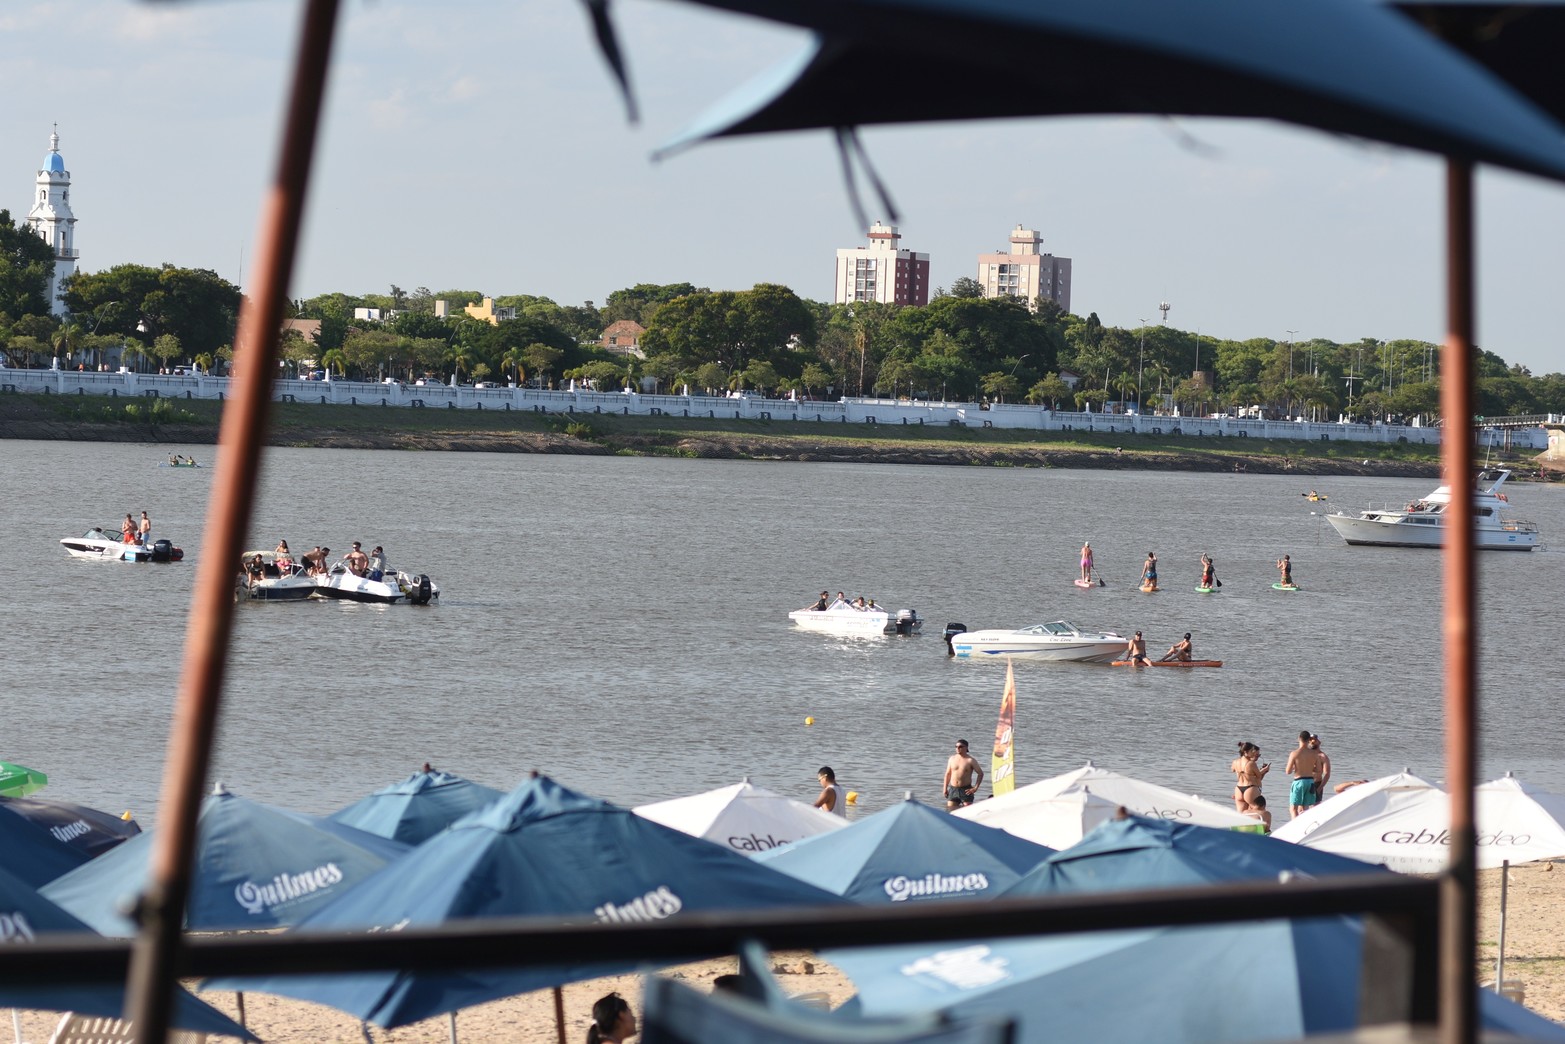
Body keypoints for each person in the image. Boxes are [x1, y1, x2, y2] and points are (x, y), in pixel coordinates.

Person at [1285, 730, 1324, 817]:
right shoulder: (1314, 754)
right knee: (1305, 809)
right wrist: (1309, 767)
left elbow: (1288, 771)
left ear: (1299, 738)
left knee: (1293, 808)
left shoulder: (1294, 753)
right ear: (1309, 740)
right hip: (1310, 782)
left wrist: (1296, 767)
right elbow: (1319, 770)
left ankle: (1295, 824)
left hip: (1299, 781)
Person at [943, 739, 984, 810]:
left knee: (967, 812)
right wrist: (945, 788)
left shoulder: (970, 760)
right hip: (953, 789)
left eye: (960, 747)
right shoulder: (952, 759)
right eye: (956, 747)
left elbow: (980, 774)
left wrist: (975, 788)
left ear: (966, 747)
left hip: (966, 790)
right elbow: (948, 774)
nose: (958, 748)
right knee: (950, 811)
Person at [1230, 742, 1269, 812]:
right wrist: (1265, 770)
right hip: (1250, 789)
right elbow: (1259, 776)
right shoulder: (1251, 763)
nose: (1253, 753)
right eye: (1251, 751)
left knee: (1240, 814)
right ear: (1245, 752)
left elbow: (1232, 769)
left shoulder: (1235, 762)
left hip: (1238, 789)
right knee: (1259, 812)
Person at [1310, 733, 1332, 800]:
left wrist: (1320, 788)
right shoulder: (1305, 755)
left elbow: (1327, 774)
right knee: (1300, 806)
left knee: (1315, 805)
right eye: (1310, 740)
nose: (1312, 742)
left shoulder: (1322, 756)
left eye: (1314, 740)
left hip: (1316, 784)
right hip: (1305, 783)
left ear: (1319, 742)